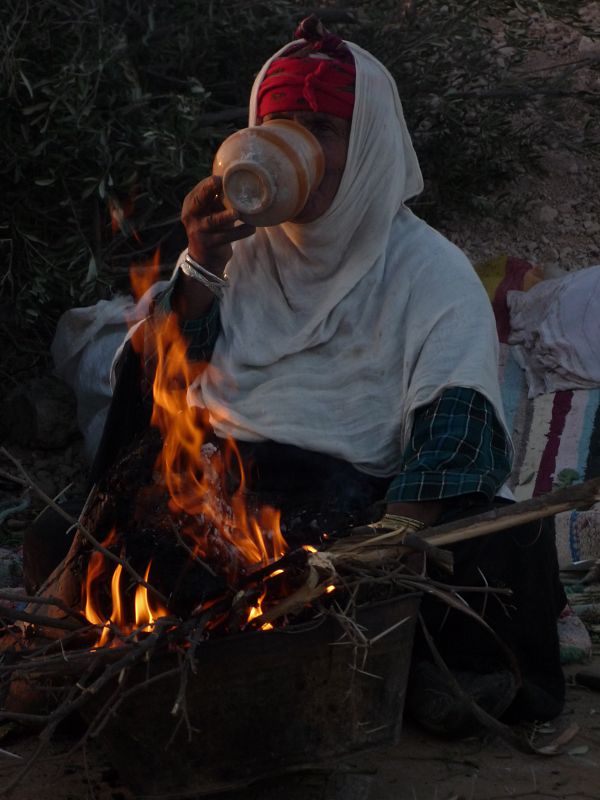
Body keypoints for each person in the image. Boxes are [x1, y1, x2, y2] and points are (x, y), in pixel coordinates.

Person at [29, 16, 566, 736]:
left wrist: (376, 552)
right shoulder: (242, 252)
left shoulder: (428, 271)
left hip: (358, 511)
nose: (295, 146)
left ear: (368, 145)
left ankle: (393, 668)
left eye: (321, 128)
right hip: (225, 501)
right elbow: (164, 386)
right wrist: (202, 262)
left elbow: (456, 433)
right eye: (278, 126)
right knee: (66, 536)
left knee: (506, 542)